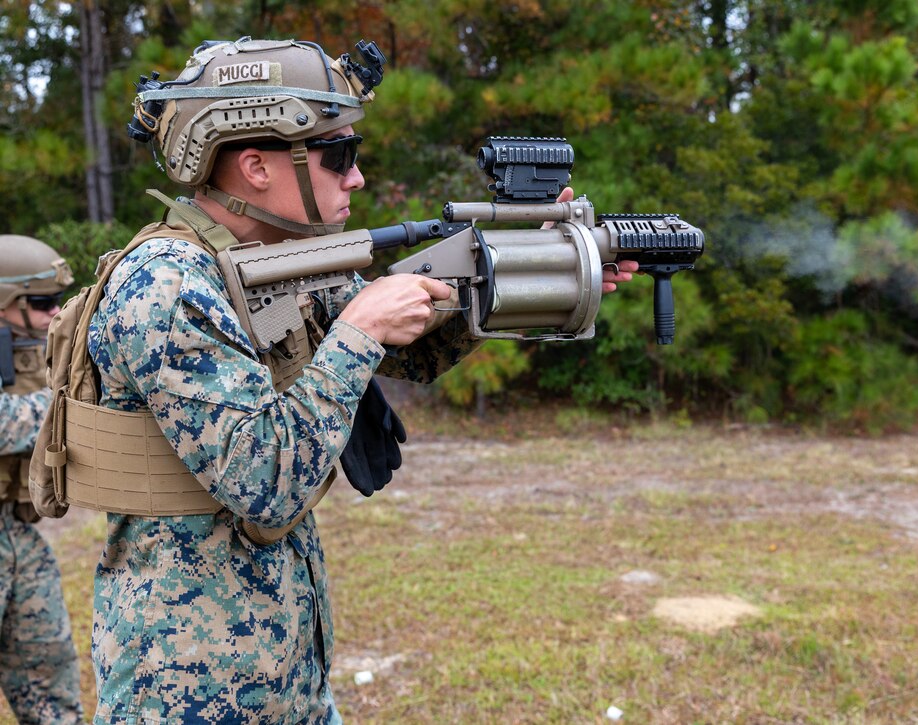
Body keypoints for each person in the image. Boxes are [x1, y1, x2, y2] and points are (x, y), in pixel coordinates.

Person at [66, 37, 637, 722]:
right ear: (254, 165)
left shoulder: (281, 262)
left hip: (285, 679)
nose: (357, 176)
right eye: (340, 155)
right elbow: (266, 481)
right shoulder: (165, 286)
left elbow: (412, 350)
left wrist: (538, 266)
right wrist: (358, 330)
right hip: (186, 687)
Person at [0, 234, 82, 724]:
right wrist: (64, 408)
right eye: (43, 302)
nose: (56, 311)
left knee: (48, 670)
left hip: (18, 532)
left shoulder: (35, 349)